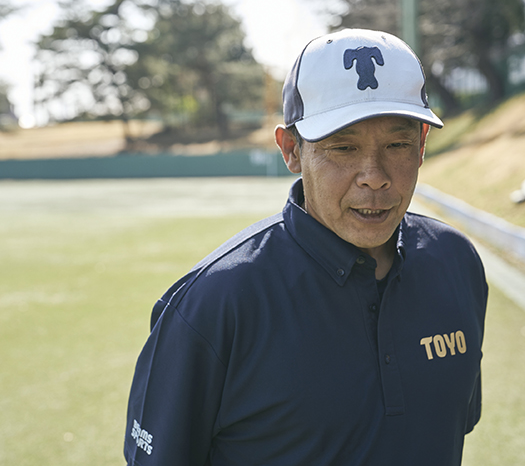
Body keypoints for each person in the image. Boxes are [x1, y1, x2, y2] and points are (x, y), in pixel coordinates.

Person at [124, 28, 488, 466]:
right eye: (343, 147)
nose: (374, 176)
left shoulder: (456, 262)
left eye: (397, 144)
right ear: (291, 150)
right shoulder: (213, 304)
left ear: (422, 146)